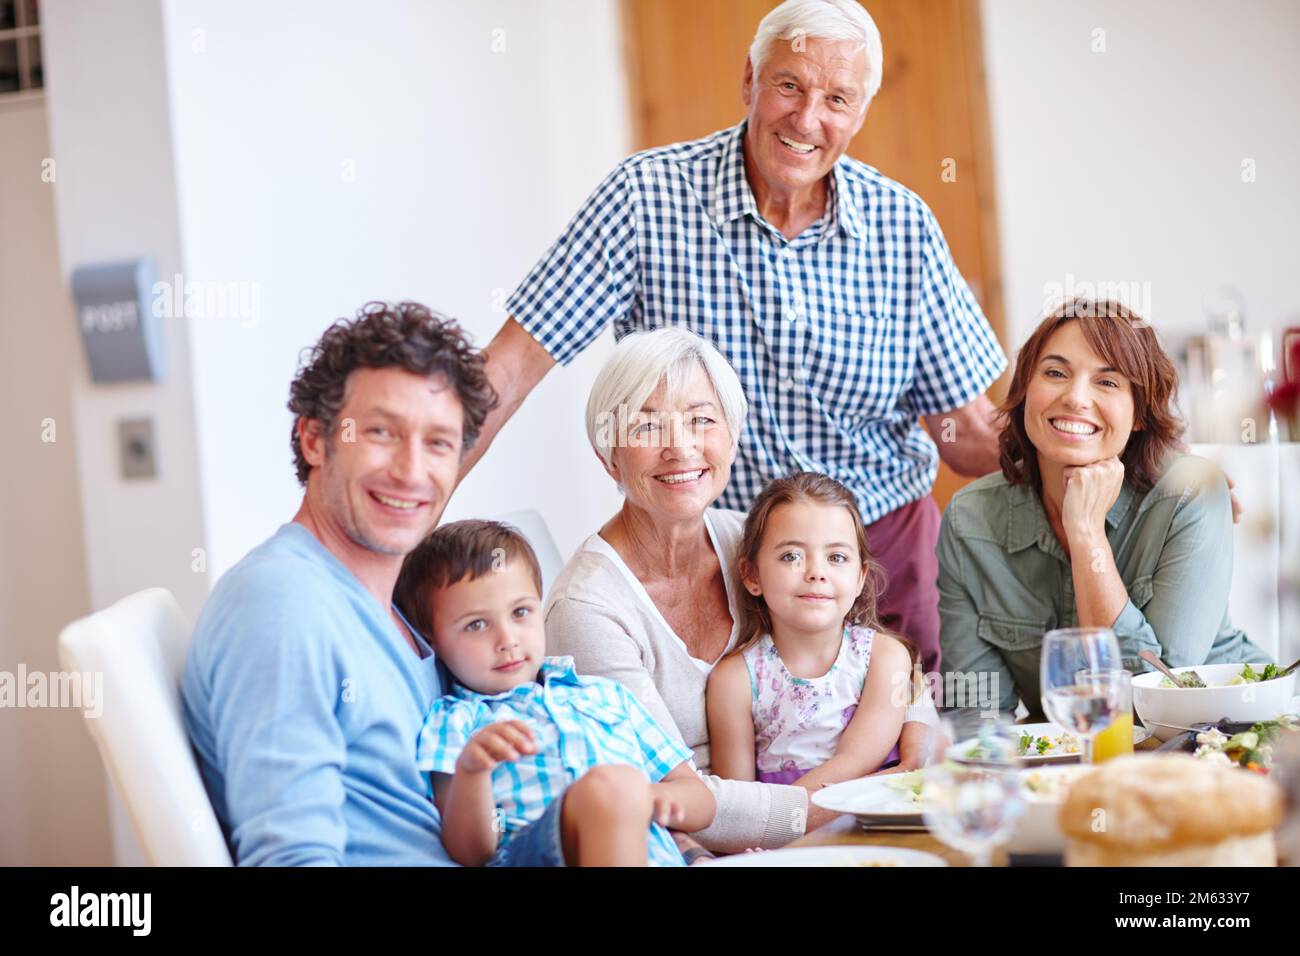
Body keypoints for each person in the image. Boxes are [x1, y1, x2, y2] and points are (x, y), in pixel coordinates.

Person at [463, 0, 1009, 675]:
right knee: (734, 762)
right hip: (714, 568)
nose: (808, 119)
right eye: (789, 85)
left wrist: (1106, 491)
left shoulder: (902, 225)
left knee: (911, 763)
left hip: (877, 567)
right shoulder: (646, 200)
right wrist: (395, 530)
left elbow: (969, 432)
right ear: (750, 80)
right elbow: (506, 372)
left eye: (836, 98)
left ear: (861, 112)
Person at [545, 326, 939, 855]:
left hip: (820, 819)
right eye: (646, 424)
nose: (679, 447)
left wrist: (914, 740)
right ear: (608, 453)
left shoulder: (753, 541)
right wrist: (869, 794)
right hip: (686, 846)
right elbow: (672, 795)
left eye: (702, 419)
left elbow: (872, 656)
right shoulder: (586, 610)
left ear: (731, 436)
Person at [181, 301, 497, 865]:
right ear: (314, 441)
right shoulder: (282, 603)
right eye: (381, 432)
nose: (411, 471)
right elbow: (293, 857)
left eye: (439, 443)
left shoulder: (399, 613)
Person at [938, 299, 1270, 720]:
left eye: (1108, 382)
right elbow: (975, 710)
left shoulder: (1190, 493)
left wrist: (1087, 535)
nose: (1076, 397)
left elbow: (1153, 700)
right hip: (1072, 764)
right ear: (1024, 393)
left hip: (1225, 738)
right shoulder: (970, 519)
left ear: (1138, 415)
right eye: (1055, 373)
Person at [394, 520, 715, 867]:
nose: (508, 640)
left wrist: (643, 799)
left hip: (646, 852)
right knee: (608, 787)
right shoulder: (455, 722)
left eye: (520, 612)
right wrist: (473, 772)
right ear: (431, 639)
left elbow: (700, 799)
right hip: (537, 853)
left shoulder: (605, 696)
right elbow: (471, 852)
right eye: (476, 625)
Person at [708, 472, 916, 791]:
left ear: (860, 577)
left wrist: (785, 811)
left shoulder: (884, 657)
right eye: (791, 556)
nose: (816, 572)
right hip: (779, 838)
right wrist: (774, 827)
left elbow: (857, 759)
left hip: (877, 819)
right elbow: (735, 795)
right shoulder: (734, 679)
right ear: (752, 575)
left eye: (836, 557)